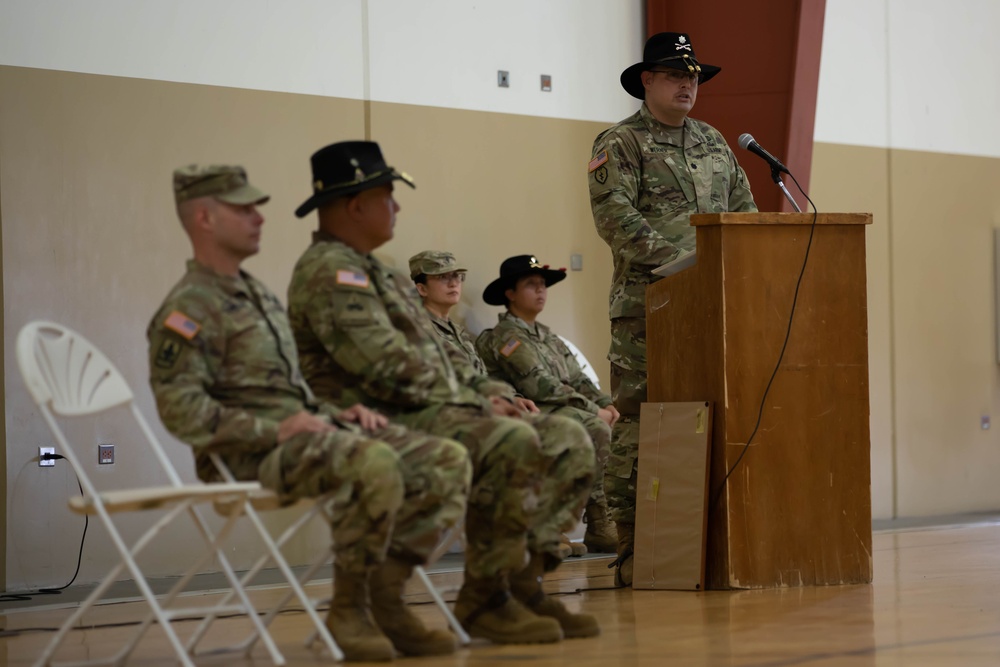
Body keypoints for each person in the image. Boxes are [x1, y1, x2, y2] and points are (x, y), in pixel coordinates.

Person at [147, 164, 472, 662]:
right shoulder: (188, 307)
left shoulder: (255, 295)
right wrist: (276, 429)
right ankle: (350, 611)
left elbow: (288, 391)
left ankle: (386, 598)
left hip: (302, 434)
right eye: (243, 208)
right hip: (243, 453)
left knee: (446, 458)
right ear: (205, 218)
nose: (259, 217)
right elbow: (181, 411)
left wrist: (338, 413)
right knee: (375, 463)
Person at [286, 141, 599, 643]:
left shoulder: (378, 271)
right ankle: (399, 601)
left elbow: (441, 355)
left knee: (567, 437)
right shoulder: (330, 271)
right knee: (510, 440)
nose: (398, 207)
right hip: (374, 416)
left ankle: (516, 587)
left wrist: (485, 390)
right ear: (355, 205)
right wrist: (476, 402)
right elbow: (385, 366)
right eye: (389, 196)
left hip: (425, 407)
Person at [588, 32, 757, 586]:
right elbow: (617, 221)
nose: (688, 84)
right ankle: (635, 549)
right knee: (638, 426)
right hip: (648, 309)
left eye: (694, 77)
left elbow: (744, 216)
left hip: (714, 308)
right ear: (647, 81)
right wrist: (687, 263)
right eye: (674, 75)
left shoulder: (713, 142)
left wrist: (744, 265)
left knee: (715, 418)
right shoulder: (621, 142)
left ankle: (714, 544)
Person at [408, 250, 589, 557]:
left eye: (456, 276)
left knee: (560, 431)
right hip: (446, 424)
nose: (453, 283)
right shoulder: (413, 330)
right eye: (442, 277)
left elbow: (482, 378)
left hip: (479, 416)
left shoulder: (459, 333)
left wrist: (514, 398)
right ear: (421, 287)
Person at [473, 255, 620, 554]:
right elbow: (539, 385)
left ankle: (598, 523)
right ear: (510, 294)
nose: (540, 291)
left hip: (562, 407)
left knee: (616, 424)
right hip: (531, 410)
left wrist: (608, 404)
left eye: (543, 285)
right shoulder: (505, 337)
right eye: (531, 285)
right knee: (593, 427)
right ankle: (588, 522)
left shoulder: (550, 337)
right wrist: (596, 412)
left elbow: (579, 378)